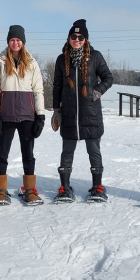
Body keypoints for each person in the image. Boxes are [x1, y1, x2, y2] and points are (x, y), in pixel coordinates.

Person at [52, 19, 113, 202]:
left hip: (91, 113)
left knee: (94, 151)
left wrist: (97, 92)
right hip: (69, 114)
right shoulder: (62, 59)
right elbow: (56, 86)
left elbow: (108, 78)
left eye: (80, 37)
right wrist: (57, 110)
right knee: (67, 152)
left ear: (85, 39)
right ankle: (65, 187)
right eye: (73, 36)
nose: (76, 39)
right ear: (69, 38)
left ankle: (97, 187)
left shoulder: (95, 56)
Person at [0, 25, 46, 206]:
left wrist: (41, 115)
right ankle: (0, 190)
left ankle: (29, 189)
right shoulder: (0, 62)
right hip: (6, 116)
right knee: (2, 153)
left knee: (28, 153)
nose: (15, 43)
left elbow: (38, 91)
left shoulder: (32, 63)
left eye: (18, 40)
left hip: (28, 116)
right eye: (12, 40)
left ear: (23, 42)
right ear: (8, 41)